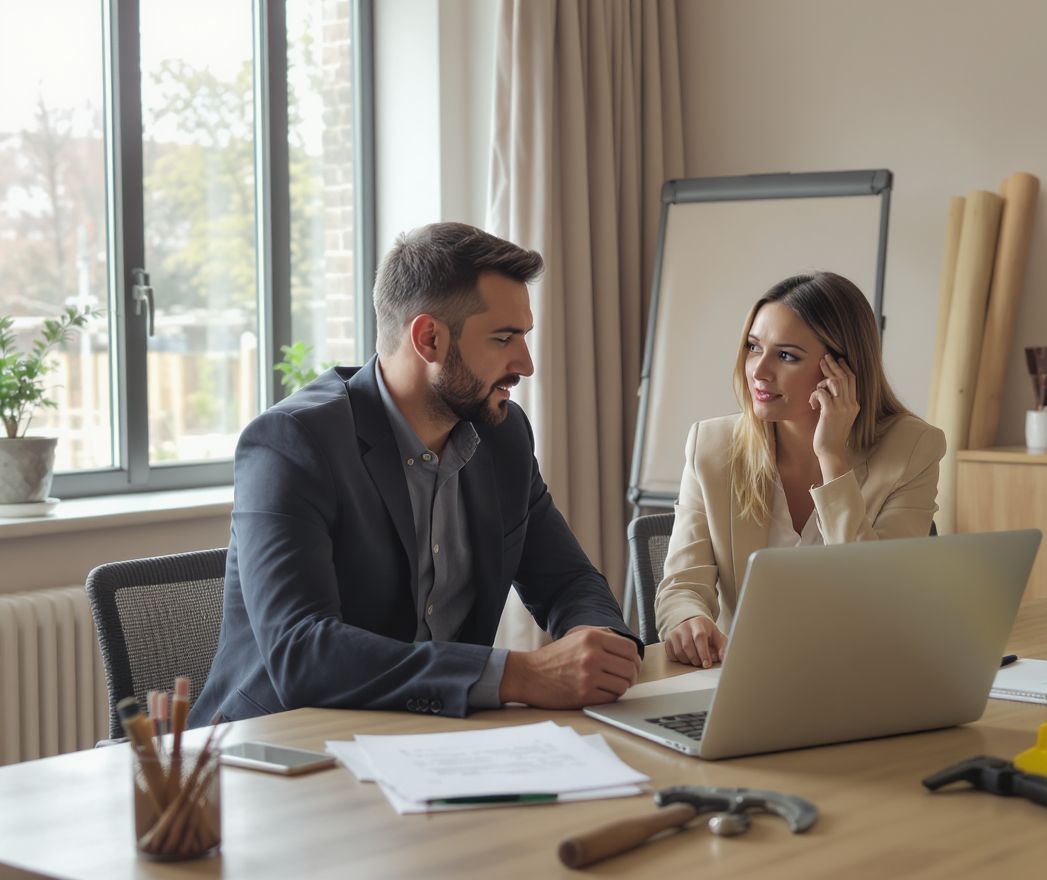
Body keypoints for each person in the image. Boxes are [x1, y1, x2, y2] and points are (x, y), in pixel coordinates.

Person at [192, 222, 642, 725]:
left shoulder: (503, 434)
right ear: (429, 337)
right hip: (278, 749)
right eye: (504, 338)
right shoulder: (292, 443)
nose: (526, 363)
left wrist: (599, 644)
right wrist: (518, 675)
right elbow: (302, 652)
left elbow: (567, 579)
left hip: (431, 741)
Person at [655, 271, 946, 668]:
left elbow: (878, 598)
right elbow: (682, 584)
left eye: (787, 355)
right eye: (753, 347)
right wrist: (688, 619)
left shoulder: (911, 449)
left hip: (859, 673)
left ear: (841, 369)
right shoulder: (711, 446)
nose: (759, 371)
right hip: (741, 676)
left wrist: (832, 459)